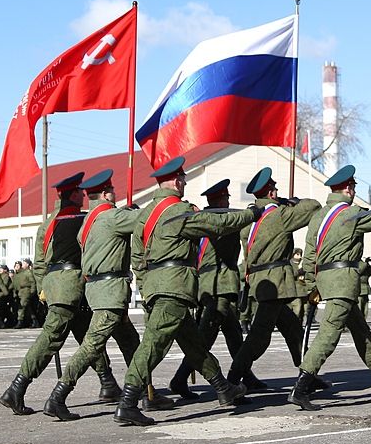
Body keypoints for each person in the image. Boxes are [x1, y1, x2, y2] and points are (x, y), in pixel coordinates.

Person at [114, 156, 258, 426]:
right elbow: (215, 225)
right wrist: (251, 214)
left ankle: (223, 388)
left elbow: (137, 257)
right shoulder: (177, 211)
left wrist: (146, 287)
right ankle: (127, 402)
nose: (184, 182)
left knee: (195, 346)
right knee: (153, 345)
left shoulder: (146, 214)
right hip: (174, 286)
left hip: (159, 284)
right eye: (181, 178)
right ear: (173, 180)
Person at [289, 165, 371, 410]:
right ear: (348, 188)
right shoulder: (351, 213)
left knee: (361, 332)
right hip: (343, 280)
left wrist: (313, 287)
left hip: (326, 280)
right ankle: (301, 387)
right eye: (354, 187)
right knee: (329, 334)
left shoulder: (318, 217)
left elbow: (309, 256)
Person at [0, 172, 122, 416]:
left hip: (55, 285)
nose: (84, 195)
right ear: (74, 194)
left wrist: (44, 291)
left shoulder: (47, 223)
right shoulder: (83, 219)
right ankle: (16, 388)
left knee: (89, 336)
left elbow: (39, 264)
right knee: (50, 339)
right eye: (80, 191)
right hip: (73, 284)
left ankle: (107, 382)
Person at [42, 169, 157, 421]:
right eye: (112, 190)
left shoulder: (89, 221)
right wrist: (157, 200)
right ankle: (57, 397)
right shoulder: (111, 216)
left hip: (98, 290)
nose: (115, 194)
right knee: (91, 347)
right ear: (106, 194)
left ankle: (145, 393)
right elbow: (146, 219)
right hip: (110, 292)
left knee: (131, 342)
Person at [168, 178, 267, 400]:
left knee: (233, 334)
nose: (229, 200)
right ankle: (180, 378)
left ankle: (245, 375)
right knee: (204, 337)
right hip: (216, 284)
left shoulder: (204, 218)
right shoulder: (216, 220)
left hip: (216, 283)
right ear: (220, 199)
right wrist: (253, 211)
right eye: (226, 197)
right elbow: (233, 224)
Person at [226, 167, 322, 390]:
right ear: (271, 193)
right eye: (275, 190)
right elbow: (314, 206)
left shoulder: (249, 222)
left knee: (292, 329)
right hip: (276, 282)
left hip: (260, 281)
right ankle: (232, 379)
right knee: (259, 337)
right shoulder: (277, 216)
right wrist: (291, 202)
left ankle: (307, 374)